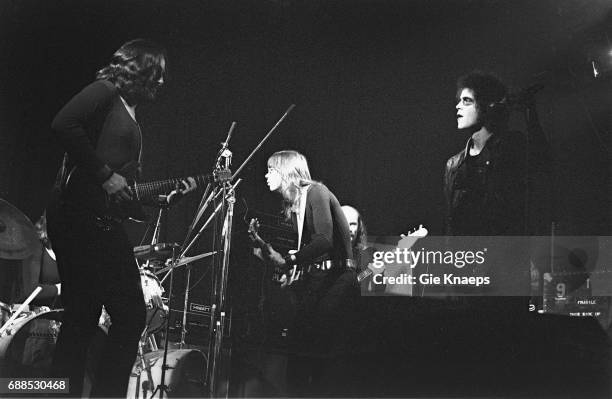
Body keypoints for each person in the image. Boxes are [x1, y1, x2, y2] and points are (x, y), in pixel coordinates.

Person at [47, 39, 195, 397]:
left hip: (100, 221)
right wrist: (104, 175)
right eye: (156, 74)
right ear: (137, 69)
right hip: (77, 219)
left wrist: (158, 200)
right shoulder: (106, 91)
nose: (161, 82)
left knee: (104, 317)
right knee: (101, 317)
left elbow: (121, 190)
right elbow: (63, 124)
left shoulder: (130, 111)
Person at [259, 150, 357, 395]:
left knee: (316, 353)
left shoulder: (316, 192)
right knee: (299, 356)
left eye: (271, 170)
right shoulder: (295, 205)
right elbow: (311, 250)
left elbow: (324, 240)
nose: (266, 175)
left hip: (338, 280)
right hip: (319, 280)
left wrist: (292, 259)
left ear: (287, 171)